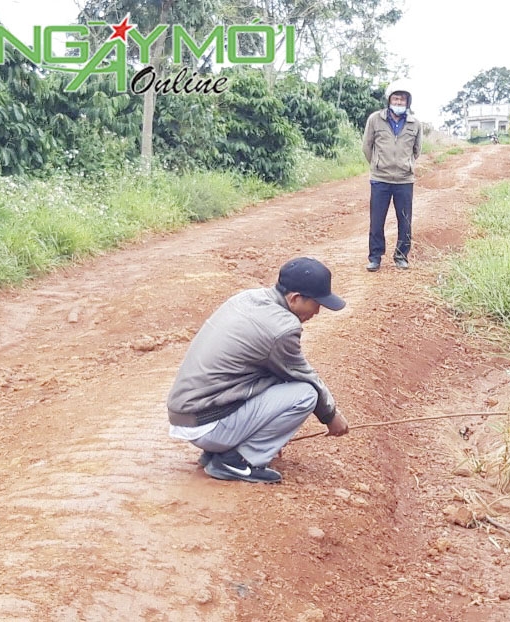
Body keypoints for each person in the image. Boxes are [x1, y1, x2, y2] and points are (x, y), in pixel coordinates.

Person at [167, 257, 350, 483]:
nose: (318, 311)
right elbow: (305, 376)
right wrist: (331, 416)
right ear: (295, 298)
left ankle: (219, 451)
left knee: (277, 378)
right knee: (306, 394)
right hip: (207, 425)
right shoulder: (282, 328)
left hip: (189, 417)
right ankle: (236, 461)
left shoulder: (248, 298)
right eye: (317, 304)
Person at [362, 80, 423, 272]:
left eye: (402, 99)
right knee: (377, 220)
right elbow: (367, 146)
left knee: (405, 220)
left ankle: (401, 256)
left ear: (408, 102)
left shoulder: (415, 124)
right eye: (395, 98)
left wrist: (406, 165)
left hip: (404, 180)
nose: (399, 102)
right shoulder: (375, 119)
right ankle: (375, 257)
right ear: (389, 100)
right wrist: (378, 165)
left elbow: (417, 150)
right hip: (380, 179)